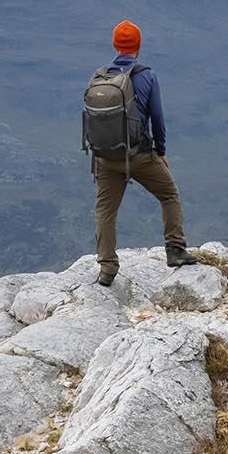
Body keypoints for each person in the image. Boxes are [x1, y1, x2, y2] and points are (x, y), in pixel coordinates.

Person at [85, 19, 193, 284]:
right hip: (139, 156)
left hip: (106, 157)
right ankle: (175, 250)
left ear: (115, 45)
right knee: (169, 195)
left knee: (105, 210)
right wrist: (161, 151)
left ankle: (107, 268)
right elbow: (158, 119)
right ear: (138, 46)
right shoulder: (147, 76)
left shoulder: (99, 76)